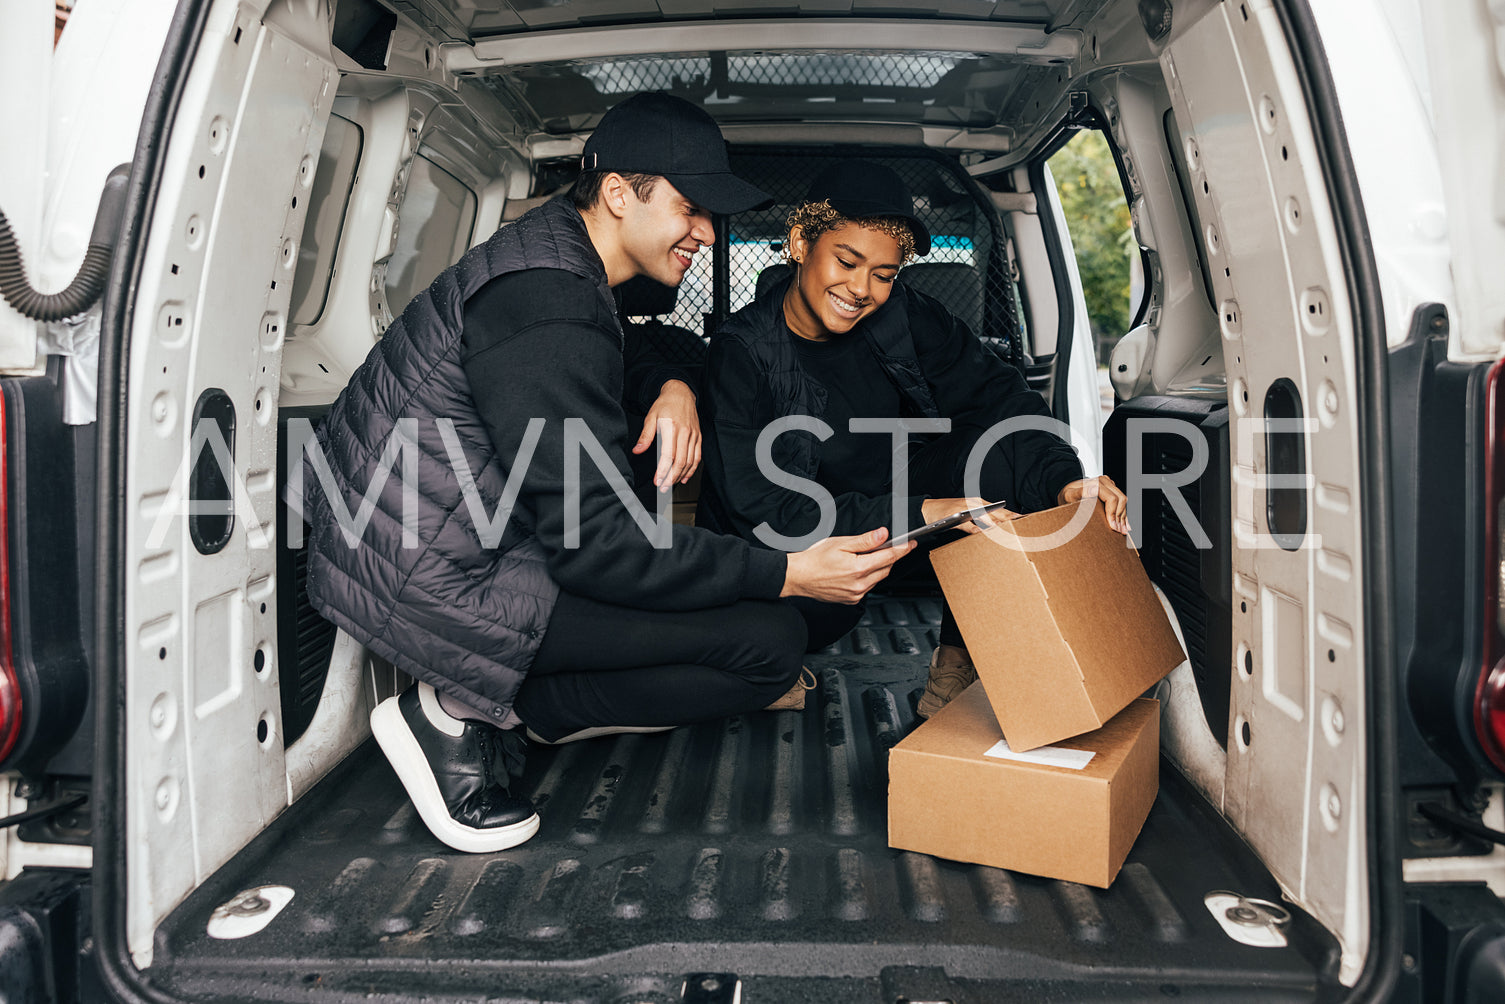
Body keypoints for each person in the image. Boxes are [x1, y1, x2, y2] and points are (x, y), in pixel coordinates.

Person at [298, 95, 912, 855]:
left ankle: (518, 707)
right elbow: (600, 549)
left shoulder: (558, 261)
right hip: (434, 577)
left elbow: (630, 343)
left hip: (451, 542)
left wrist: (673, 387)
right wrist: (786, 570)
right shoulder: (548, 306)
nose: (706, 232)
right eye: (690, 208)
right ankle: (456, 714)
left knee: (762, 631)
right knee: (767, 644)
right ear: (620, 192)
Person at [697, 160, 1129, 720]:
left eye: (884, 273)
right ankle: (764, 665)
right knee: (775, 635)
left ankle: (957, 663)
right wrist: (929, 510)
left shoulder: (902, 317)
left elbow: (1002, 397)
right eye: (847, 261)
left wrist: (1066, 479)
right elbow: (767, 511)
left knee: (997, 451)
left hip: (892, 529)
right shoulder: (742, 352)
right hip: (800, 561)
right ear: (801, 242)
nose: (861, 289)